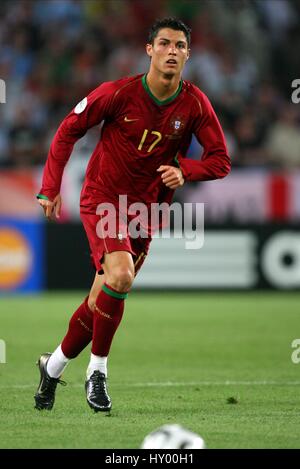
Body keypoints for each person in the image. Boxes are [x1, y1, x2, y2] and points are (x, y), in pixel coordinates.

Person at [34, 17, 231, 413]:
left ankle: (52, 367)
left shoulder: (194, 104)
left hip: (147, 211)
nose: (171, 51)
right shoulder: (118, 94)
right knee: (121, 277)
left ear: (188, 54)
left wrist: (186, 171)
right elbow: (68, 129)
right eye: (164, 44)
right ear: (149, 50)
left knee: (101, 297)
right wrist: (50, 187)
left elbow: (220, 160)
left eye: (179, 45)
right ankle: (98, 374)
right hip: (104, 198)